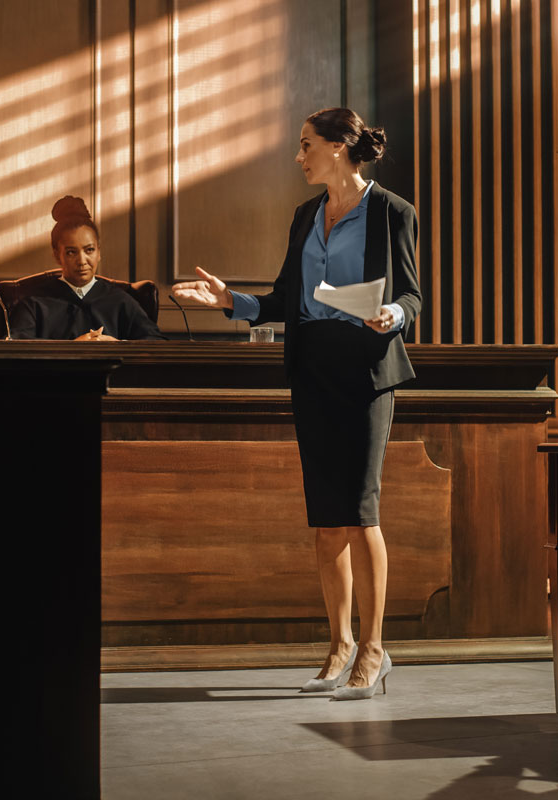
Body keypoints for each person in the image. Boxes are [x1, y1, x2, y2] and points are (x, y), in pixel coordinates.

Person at [171, 108, 421, 701]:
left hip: (365, 371)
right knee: (326, 517)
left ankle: (374, 649)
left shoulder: (392, 211)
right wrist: (229, 300)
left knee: (361, 511)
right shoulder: (306, 216)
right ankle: (337, 646)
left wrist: (396, 314)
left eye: (307, 145)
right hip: (311, 374)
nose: (299, 155)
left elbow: (410, 290)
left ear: (339, 147)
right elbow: (285, 299)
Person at [7, 196, 167, 341]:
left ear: (99, 252)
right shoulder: (34, 302)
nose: (82, 261)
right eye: (71, 252)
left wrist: (118, 346)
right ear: (57, 256)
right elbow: (17, 349)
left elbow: (155, 344)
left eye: (89, 250)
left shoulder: (120, 300)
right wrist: (72, 349)